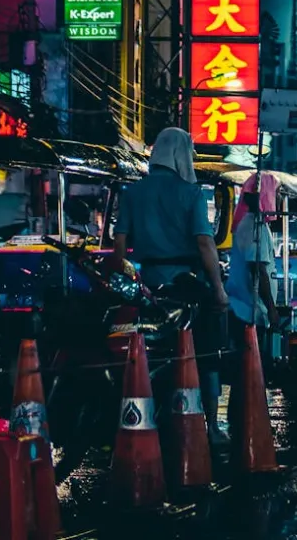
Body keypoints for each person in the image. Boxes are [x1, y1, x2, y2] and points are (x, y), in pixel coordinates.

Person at [114, 127, 229, 441]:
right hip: (185, 285)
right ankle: (213, 426)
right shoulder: (191, 193)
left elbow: (119, 243)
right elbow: (205, 244)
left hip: (147, 287)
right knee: (207, 352)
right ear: (181, 155)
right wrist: (218, 291)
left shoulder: (133, 193)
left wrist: (124, 278)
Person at [225, 172, 280, 439]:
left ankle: (244, 417)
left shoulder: (252, 223)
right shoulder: (255, 225)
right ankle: (246, 422)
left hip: (246, 306)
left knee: (247, 368)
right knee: (249, 368)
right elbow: (257, 267)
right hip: (248, 308)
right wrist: (272, 307)